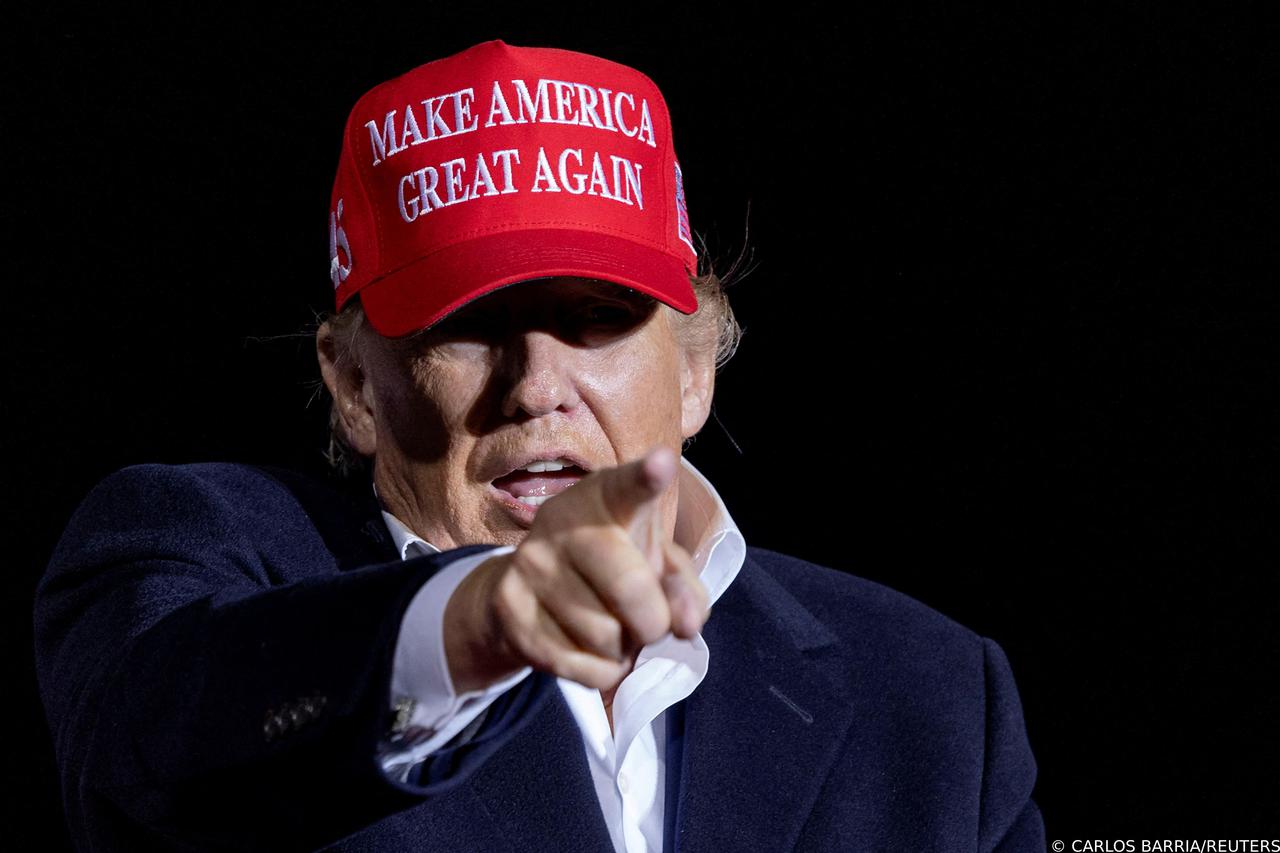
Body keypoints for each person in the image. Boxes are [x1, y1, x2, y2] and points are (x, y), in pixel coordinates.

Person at [34, 40, 1045, 852]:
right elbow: (142, 765)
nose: (536, 388)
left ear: (693, 368)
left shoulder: (932, 695)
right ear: (352, 385)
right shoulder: (199, 549)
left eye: (594, 318)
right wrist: (478, 622)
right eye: (464, 327)